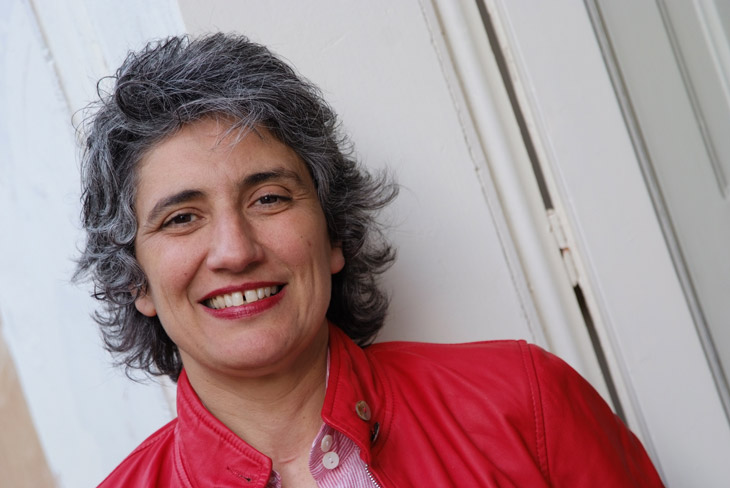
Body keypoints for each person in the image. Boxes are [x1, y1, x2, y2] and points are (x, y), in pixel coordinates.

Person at [76, 33, 664, 487]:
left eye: (269, 198)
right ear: (136, 281)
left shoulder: (523, 402)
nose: (235, 251)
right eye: (182, 218)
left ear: (333, 234)